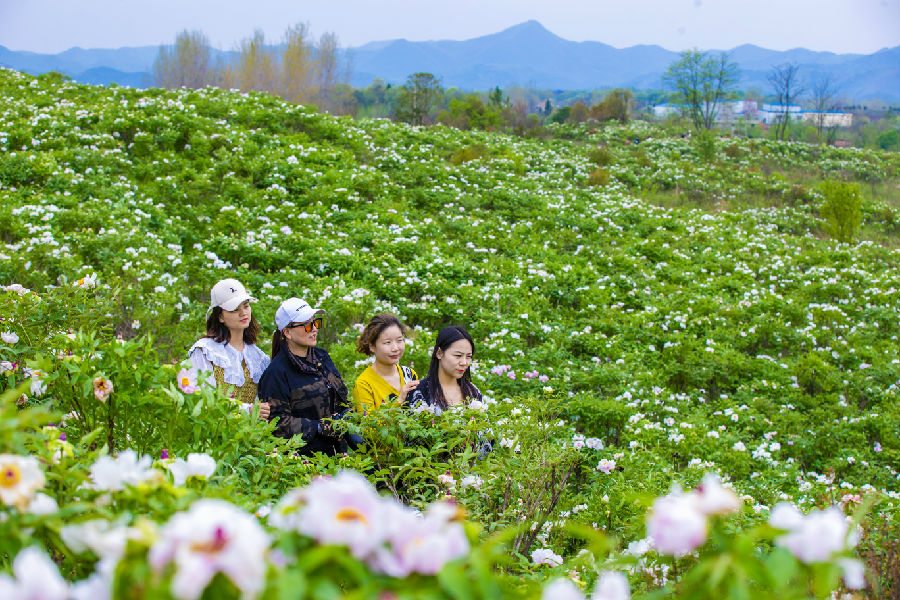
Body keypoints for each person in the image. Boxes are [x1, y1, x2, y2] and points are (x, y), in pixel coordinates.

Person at [257, 297, 350, 455]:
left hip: (337, 453)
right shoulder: (276, 372)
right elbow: (277, 424)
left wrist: (346, 417)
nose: (314, 329)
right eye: (307, 325)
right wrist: (319, 427)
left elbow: (341, 397)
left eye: (315, 322)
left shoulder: (322, 357)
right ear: (287, 332)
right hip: (302, 460)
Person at [188, 278, 270, 420]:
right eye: (235, 309)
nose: (243, 313)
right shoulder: (205, 351)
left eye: (246, 306)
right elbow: (201, 398)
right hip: (214, 428)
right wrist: (247, 410)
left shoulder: (259, 357)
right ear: (220, 316)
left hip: (251, 431)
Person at [352, 313, 419, 413]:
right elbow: (368, 423)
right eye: (387, 342)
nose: (395, 348)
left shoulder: (409, 374)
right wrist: (400, 400)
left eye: (399, 340)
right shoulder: (363, 385)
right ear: (372, 346)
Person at [408, 325, 480, 414]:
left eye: (468, 356)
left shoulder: (473, 392)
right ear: (439, 353)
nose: (464, 362)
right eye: (458, 356)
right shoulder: (420, 392)